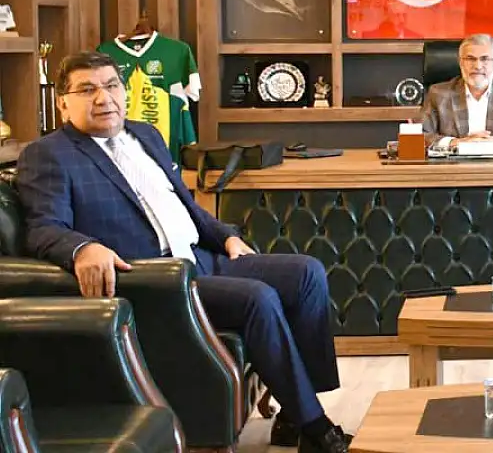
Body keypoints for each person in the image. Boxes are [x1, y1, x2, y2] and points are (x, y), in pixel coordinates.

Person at [16, 51, 350, 453]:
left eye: (111, 85)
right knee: (258, 298)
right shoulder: (48, 153)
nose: (103, 98)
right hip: (157, 281)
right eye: (87, 90)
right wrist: (83, 247)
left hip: (200, 258)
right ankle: (315, 428)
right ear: (63, 103)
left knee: (307, 273)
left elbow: (185, 207)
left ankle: (294, 415)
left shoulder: (146, 135)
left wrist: (225, 237)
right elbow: (44, 228)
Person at [420, 34, 493, 150]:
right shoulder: (438, 94)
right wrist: (457, 142)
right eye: (470, 59)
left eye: (485, 59)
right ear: (460, 62)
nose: (478, 66)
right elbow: (421, 135)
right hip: (454, 160)